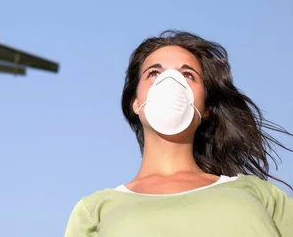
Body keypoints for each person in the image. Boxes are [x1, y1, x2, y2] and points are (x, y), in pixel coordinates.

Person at [64, 30, 292, 237]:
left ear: (206, 108)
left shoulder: (261, 196)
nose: (170, 82)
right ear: (135, 102)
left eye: (188, 75)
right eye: (154, 73)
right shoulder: (95, 211)